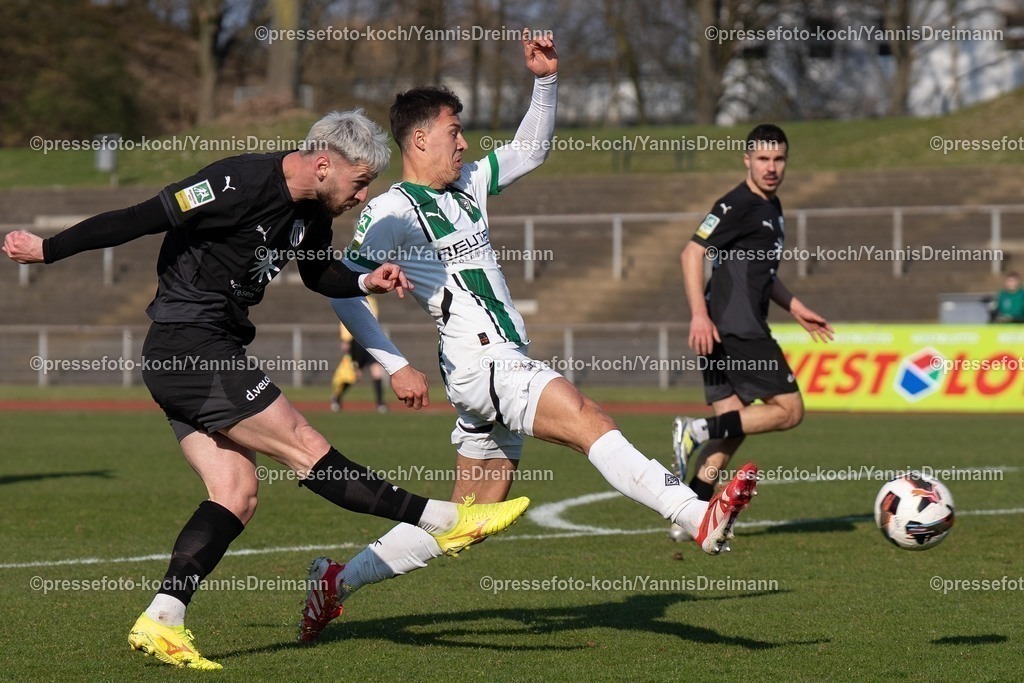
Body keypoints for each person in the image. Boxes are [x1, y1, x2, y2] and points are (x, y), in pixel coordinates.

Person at [1, 110, 530, 670]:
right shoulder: (239, 181)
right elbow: (142, 216)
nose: (363, 194)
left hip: (203, 352)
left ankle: (162, 619)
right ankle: (444, 520)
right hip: (190, 347)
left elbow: (317, 274)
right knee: (304, 444)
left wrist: (364, 280)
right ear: (324, 164)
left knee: (236, 491)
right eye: (359, 182)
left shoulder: (314, 209)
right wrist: (47, 250)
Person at [297, 29, 759, 643]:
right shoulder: (391, 211)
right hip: (483, 364)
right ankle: (697, 516)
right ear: (419, 139)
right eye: (453, 131)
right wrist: (394, 362)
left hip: (492, 366)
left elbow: (530, 149)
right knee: (586, 416)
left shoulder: (467, 186)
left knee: (473, 515)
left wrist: (544, 82)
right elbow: (341, 288)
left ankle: (336, 582)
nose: (463, 142)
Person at [667, 124, 834, 541]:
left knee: (734, 428)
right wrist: (699, 315)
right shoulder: (737, 204)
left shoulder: (772, 209)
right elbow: (691, 252)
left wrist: (796, 308)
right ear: (747, 160)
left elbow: (766, 275)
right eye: (763, 159)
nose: (771, 167)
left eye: (778, 159)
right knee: (789, 411)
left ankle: (691, 515)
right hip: (735, 327)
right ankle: (695, 430)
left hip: (727, 327)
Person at [330, 295, 388, 412]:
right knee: (354, 375)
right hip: (356, 342)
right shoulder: (350, 298)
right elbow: (345, 319)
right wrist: (346, 340)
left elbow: (373, 320)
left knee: (377, 372)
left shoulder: (371, 300)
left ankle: (380, 403)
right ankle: (337, 398)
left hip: (370, 341)